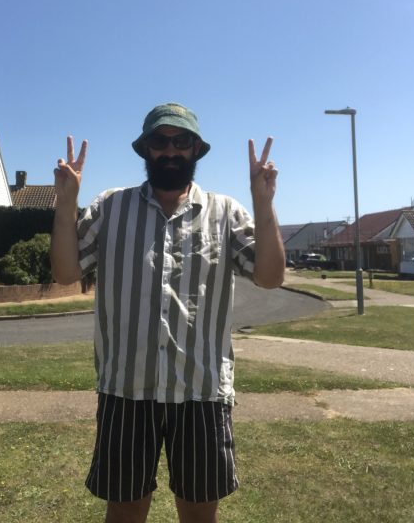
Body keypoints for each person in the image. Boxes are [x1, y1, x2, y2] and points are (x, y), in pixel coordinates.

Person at [51, 102, 285, 523]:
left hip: (200, 392)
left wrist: (263, 202)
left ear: (196, 149)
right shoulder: (110, 208)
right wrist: (66, 202)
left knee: (198, 512)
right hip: (126, 389)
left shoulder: (225, 212)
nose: (171, 150)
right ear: (146, 149)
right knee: (124, 509)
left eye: (182, 141)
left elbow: (270, 277)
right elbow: (66, 272)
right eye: (160, 141)